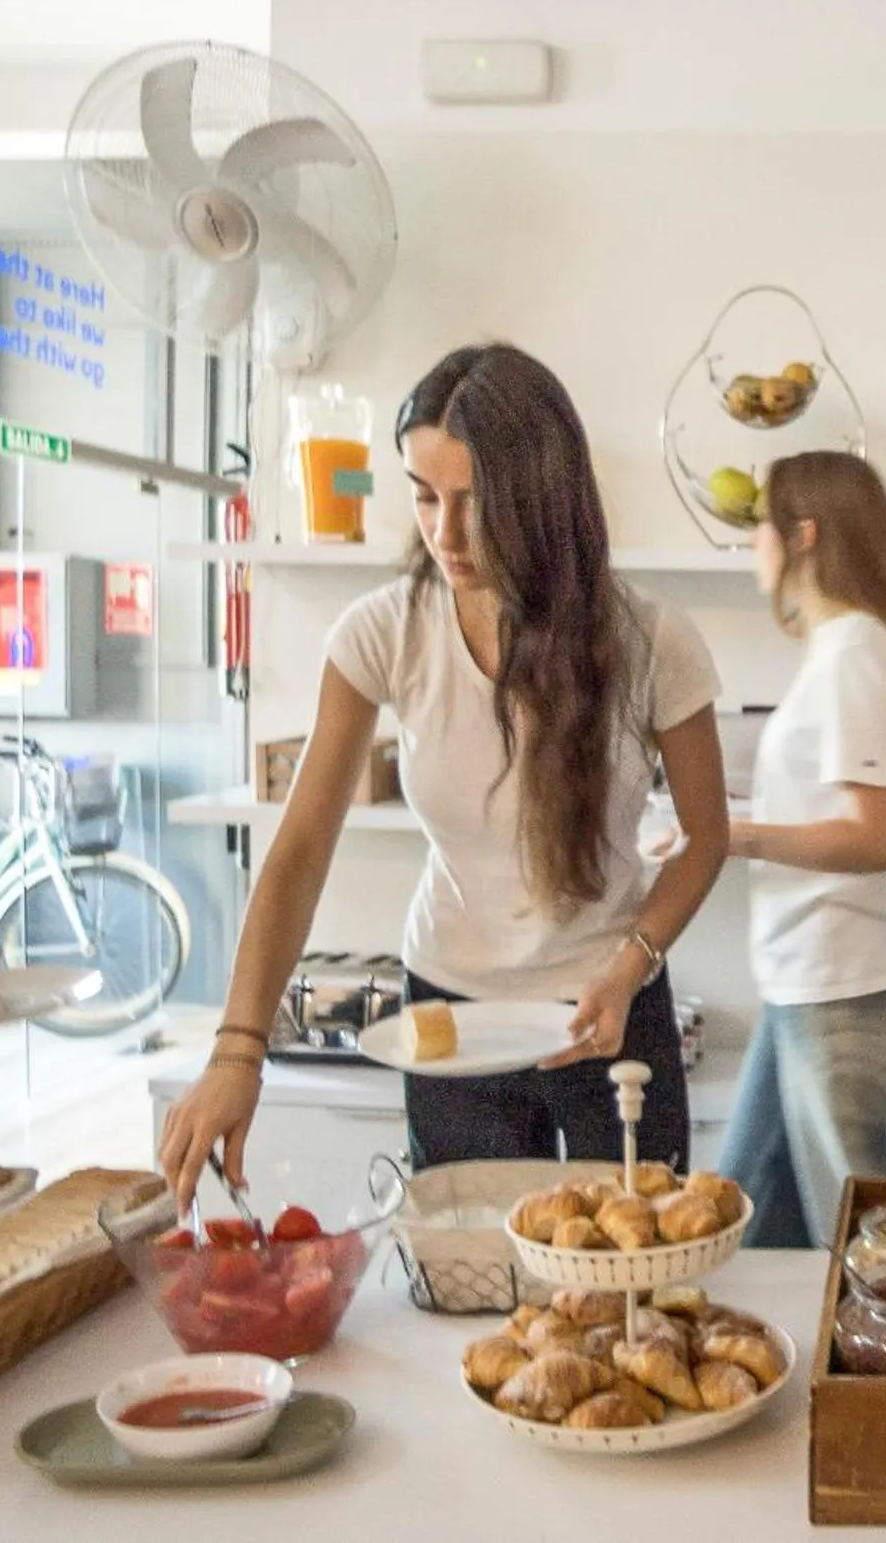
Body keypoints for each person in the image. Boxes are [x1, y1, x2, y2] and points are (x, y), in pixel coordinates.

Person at [158, 345, 729, 1204]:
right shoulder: (381, 633)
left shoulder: (651, 640)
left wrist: (630, 962)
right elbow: (301, 847)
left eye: (475, 502)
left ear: (541, 499)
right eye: (424, 496)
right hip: (451, 1024)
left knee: (627, 1298)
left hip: (611, 1015)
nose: (444, 533)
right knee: (470, 1286)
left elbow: (706, 837)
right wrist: (238, 1049)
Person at [713, 452, 886, 1249]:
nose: (752, 543)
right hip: (805, 986)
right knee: (739, 1229)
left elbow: (870, 835)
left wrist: (729, 834)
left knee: (877, 1260)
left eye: (759, 526)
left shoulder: (857, 652)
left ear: (801, 535)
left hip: (842, 992)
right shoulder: (840, 652)